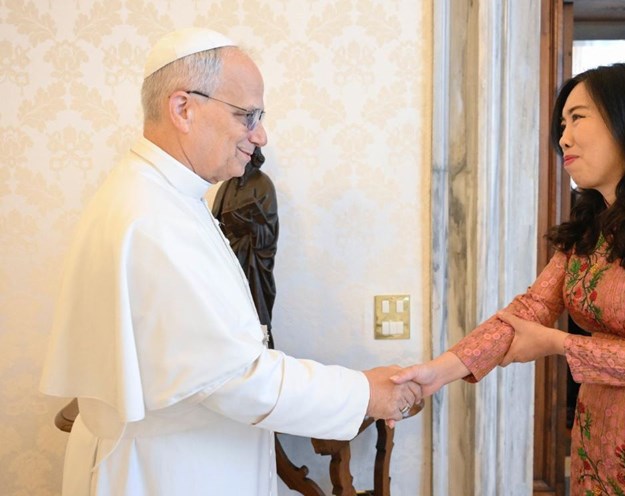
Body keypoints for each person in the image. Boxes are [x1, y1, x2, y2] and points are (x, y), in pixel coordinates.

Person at [39, 27, 420, 496]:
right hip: (169, 474)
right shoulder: (152, 215)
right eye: (248, 116)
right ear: (183, 108)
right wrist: (364, 391)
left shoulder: (167, 197)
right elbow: (234, 378)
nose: (260, 135)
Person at [393, 63, 625, 494]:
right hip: (600, 439)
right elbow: (530, 309)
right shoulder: (597, 221)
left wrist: (556, 343)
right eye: (562, 123)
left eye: (579, 117)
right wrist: (437, 372)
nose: (563, 137)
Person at [212, 146, 279, 348]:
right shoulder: (227, 185)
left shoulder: (263, 184)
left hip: (253, 263)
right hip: (228, 261)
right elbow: (214, 221)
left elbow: (269, 233)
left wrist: (249, 225)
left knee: (256, 313)